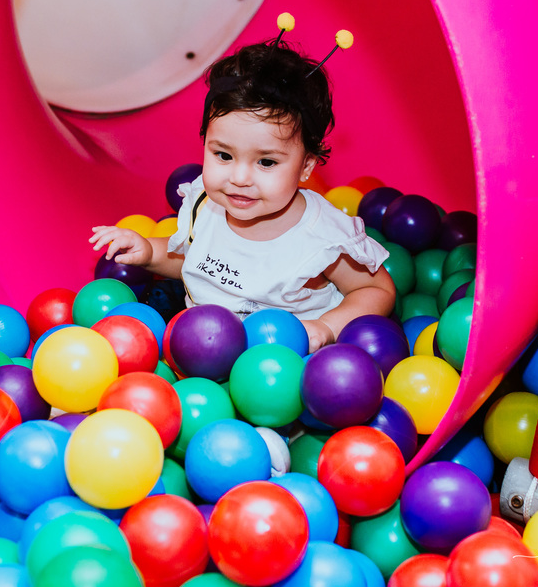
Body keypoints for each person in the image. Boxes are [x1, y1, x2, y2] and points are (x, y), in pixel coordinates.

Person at [89, 25, 395, 352]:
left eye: (265, 162)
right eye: (223, 155)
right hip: (200, 347)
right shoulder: (206, 204)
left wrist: (326, 328)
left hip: (285, 363)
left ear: (306, 166)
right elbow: (195, 261)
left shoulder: (322, 238)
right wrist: (149, 252)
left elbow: (377, 290)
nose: (239, 178)